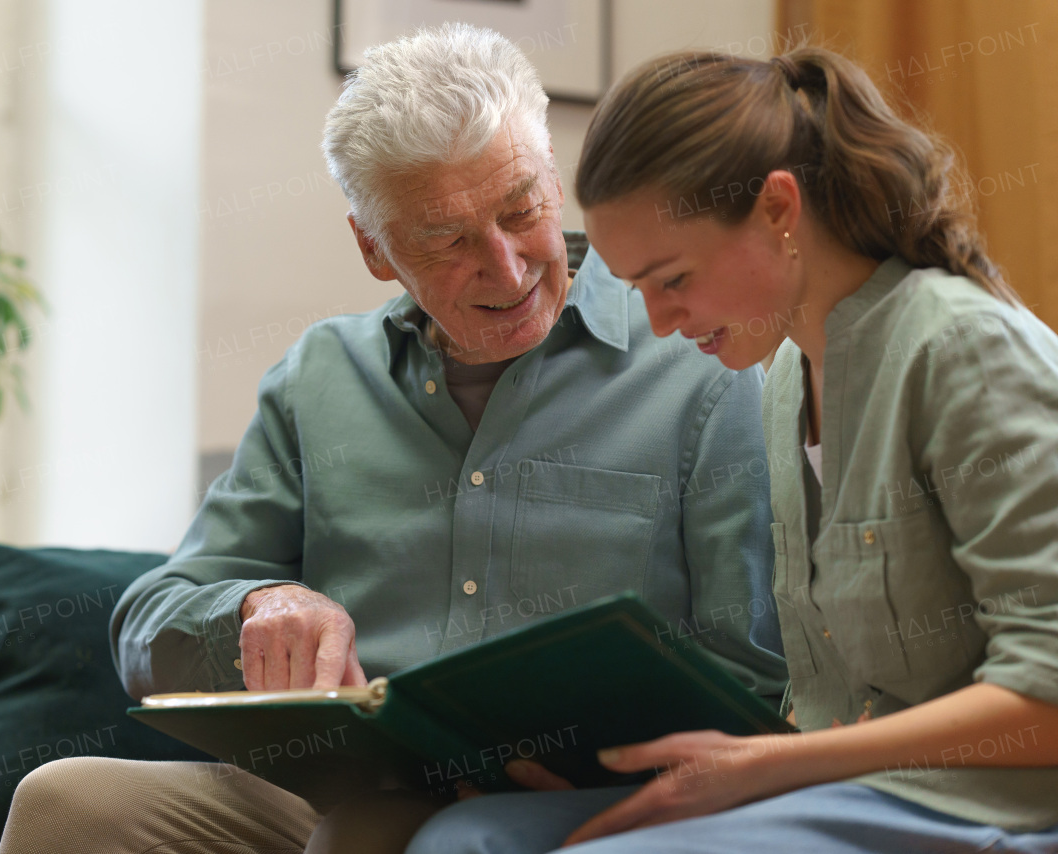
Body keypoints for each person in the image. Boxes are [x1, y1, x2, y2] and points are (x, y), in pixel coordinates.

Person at [0, 25, 788, 854]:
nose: (509, 269)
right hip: (333, 790)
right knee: (66, 803)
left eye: (521, 208)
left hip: (580, 808)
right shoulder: (320, 378)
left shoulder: (699, 362)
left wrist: (619, 770)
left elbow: (754, 673)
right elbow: (146, 625)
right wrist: (257, 607)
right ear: (374, 249)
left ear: (555, 179)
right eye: (446, 241)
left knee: (366, 836)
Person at [404, 44, 1058, 854]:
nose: (661, 322)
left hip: (987, 807)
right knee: (466, 839)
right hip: (840, 788)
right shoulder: (784, 377)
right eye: (637, 288)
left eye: (672, 279)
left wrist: (773, 765)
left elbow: (1050, 692)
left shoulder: (961, 350)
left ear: (780, 209)